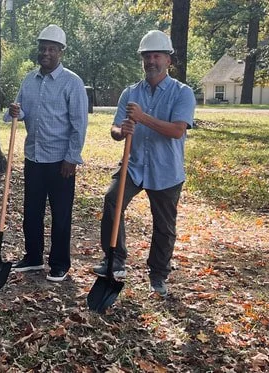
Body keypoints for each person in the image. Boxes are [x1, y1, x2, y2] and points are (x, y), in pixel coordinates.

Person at [92, 30, 195, 297]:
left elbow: (176, 131)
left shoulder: (182, 93)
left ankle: (158, 274)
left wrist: (142, 117)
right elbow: (115, 130)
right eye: (147, 56)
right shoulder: (130, 93)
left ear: (168, 60)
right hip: (134, 164)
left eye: (157, 55)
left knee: (164, 225)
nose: (151, 61)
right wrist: (121, 130)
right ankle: (114, 260)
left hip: (166, 170)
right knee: (112, 200)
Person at [4, 24, 88, 282]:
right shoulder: (29, 80)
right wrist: (15, 111)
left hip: (60, 161)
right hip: (34, 157)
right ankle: (33, 257)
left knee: (61, 213)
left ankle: (60, 263)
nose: (46, 53)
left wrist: (71, 158)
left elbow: (79, 124)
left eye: (52, 49)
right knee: (32, 210)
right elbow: (18, 113)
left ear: (61, 52)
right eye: (43, 49)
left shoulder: (72, 83)